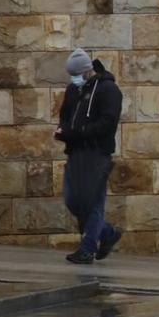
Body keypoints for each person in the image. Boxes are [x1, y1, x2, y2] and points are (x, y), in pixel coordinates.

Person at [56, 48, 123, 265]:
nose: (73, 78)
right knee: (73, 200)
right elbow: (66, 116)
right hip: (76, 153)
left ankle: (87, 248)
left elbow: (107, 123)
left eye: (76, 74)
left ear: (87, 71)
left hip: (97, 154)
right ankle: (108, 233)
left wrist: (79, 133)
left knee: (93, 202)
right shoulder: (73, 91)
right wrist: (63, 132)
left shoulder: (108, 90)